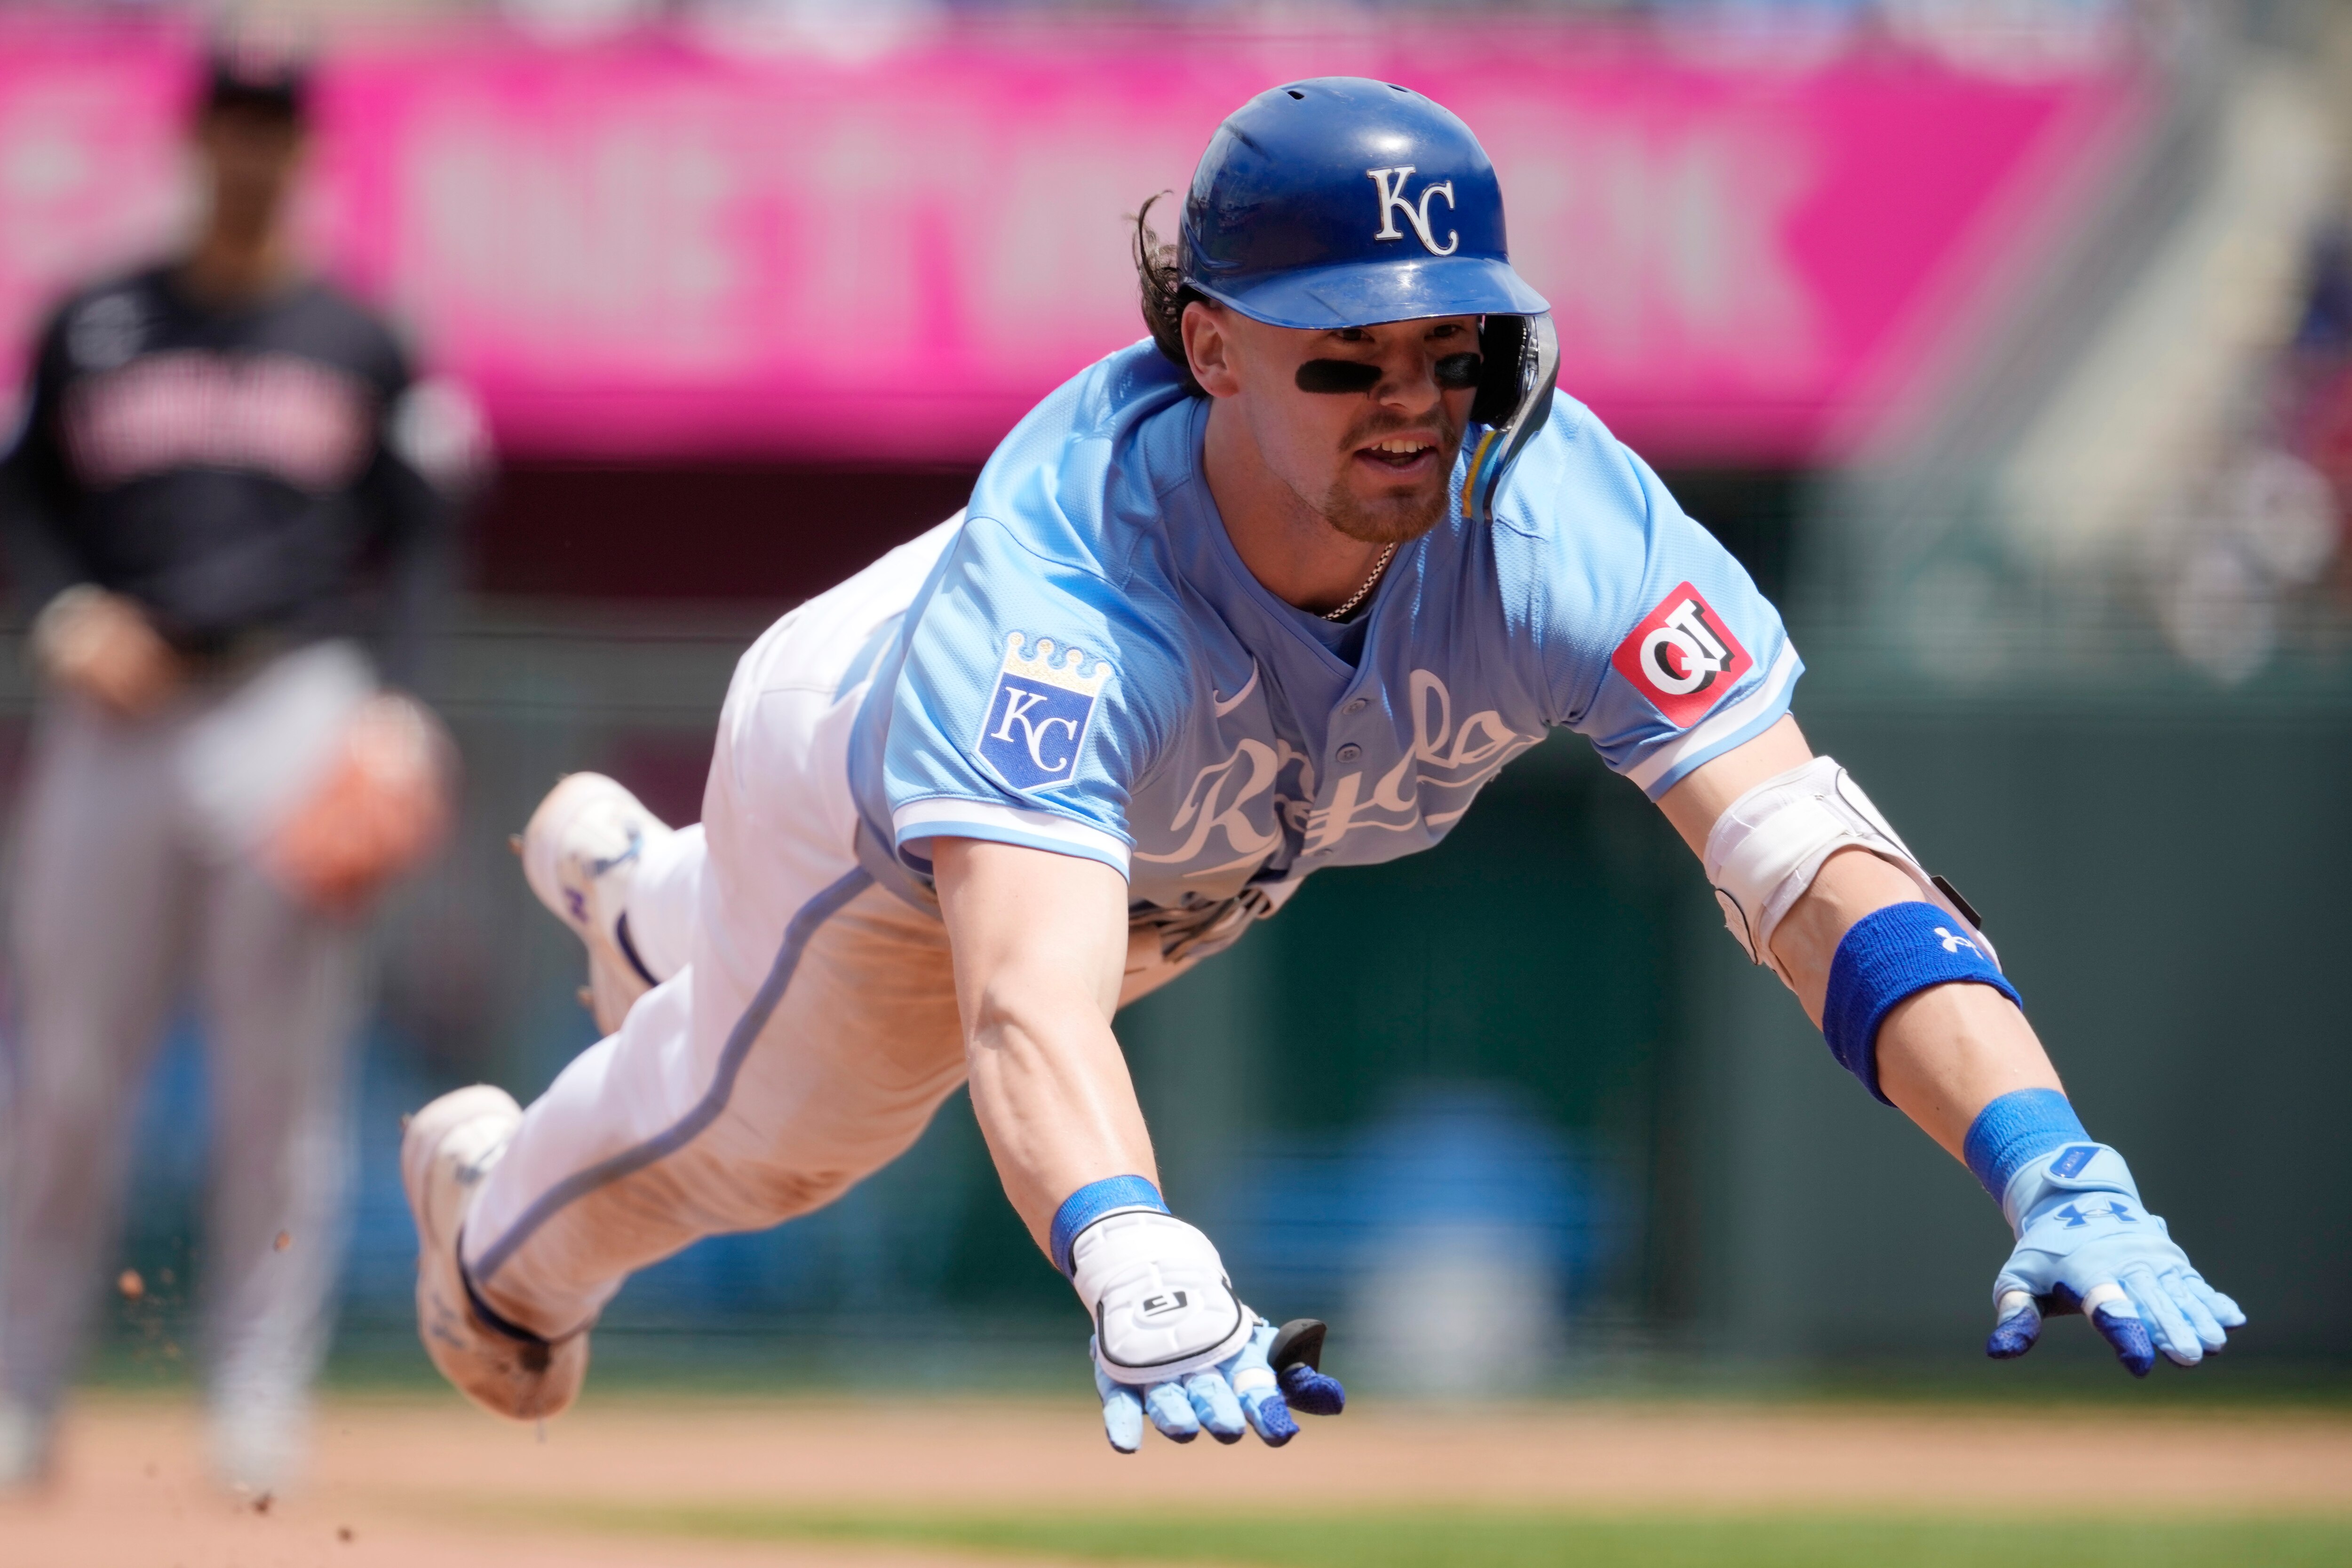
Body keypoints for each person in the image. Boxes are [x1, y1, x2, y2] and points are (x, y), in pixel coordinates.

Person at [403, 78, 2241, 1449]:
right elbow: (1026, 1020)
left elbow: (1805, 865)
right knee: (788, 1134)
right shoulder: (1065, 610)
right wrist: (1131, 1253)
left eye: (1453, 353)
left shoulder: (1553, 519)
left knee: (1007, 933)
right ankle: (488, 1241)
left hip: (1151, 834)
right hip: (881, 790)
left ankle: (647, 895)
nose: (1412, 407)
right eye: (1346, 360)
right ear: (1209, 349)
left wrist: (2045, 1155)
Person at [0, 52, 468, 1492]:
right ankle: (21, 1394)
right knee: (68, 1078)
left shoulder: (359, 333)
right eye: (235, 124)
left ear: (300, 149)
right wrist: (66, 614)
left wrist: (396, 709)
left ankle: (255, 1400)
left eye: (278, 128)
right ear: (202, 139)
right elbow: (24, 501)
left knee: (283, 1089)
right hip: (118, 713)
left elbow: (426, 531)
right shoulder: (96, 318)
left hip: (292, 699)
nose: (255, 151)